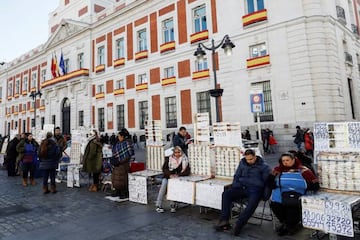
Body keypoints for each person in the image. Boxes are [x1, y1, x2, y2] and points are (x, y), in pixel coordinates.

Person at [214, 149, 271, 236]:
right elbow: (237, 175)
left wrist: (266, 195)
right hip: (242, 187)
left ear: (255, 157)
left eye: (251, 159)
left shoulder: (264, 167)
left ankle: (239, 224)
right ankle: (224, 220)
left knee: (251, 205)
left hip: (256, 189)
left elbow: (268, 182)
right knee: (226, 194)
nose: (249, 161)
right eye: (247, 159)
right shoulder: (242, 163)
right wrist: (236, 185)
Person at [269, 152, 319, 236]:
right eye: (283, 160)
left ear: (293, 160)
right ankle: (286, 224)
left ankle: (290, 226)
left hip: (297, 194)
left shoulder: (303, 170)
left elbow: (315, 184)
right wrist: (274, 184)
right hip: (281, 193)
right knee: (275, 205)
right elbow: (269, 180)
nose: (285, 162)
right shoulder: (277, 169)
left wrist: (300, 186)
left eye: (287, 160)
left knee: (292, 206)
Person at [155, 146, 190, 213]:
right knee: (163, 187)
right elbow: (164, 169)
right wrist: (170, 175)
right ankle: (158, 205)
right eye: (175, 152)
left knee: (174, 189)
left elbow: (187, 171)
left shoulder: (184, 159)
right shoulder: (169, 159)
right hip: (168, 176)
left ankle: (173, 205)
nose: (177, 154)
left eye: (178, 152)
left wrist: (178, 175)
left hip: (177, 178)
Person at [111, 131, 134, 198]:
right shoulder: (118, 143)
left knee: (123, 178)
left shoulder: (127, 143)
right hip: (117, 164)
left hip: (124, 164)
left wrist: (122, 161)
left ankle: (124, 192)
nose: (118, 137)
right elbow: (115, 152)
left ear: (123, 136)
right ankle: (117, 191)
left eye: (119, 136)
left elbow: (130, 153)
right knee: (116, 178)